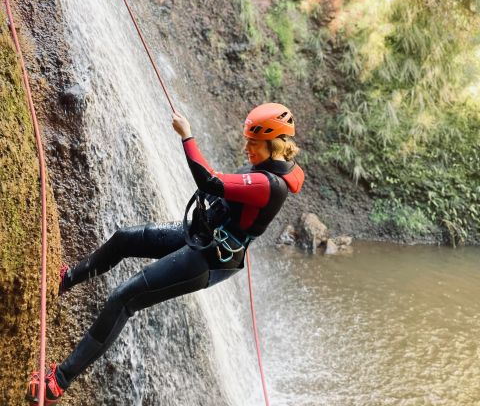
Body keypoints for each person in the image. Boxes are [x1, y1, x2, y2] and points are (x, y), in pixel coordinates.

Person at [27, 102, 304, 404]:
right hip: (202, 234)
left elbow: (210, 180)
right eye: (247, 139)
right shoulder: (264, 167)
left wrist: (187, 136)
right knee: (124, 239)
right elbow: (224, 190)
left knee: (123, 298)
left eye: (253, 142)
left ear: (274, 145)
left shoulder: (270, 185)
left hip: (208, 258)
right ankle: (66, 279)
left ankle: (58, 382)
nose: (246, 146)